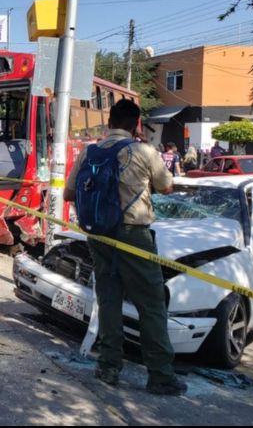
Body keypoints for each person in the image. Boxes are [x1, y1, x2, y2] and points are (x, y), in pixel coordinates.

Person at [64, 99, 187, 396]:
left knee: (108, 299)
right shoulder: (144, 151)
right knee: (151, 304)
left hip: (98, 235)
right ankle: (160, 375)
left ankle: (108, 367)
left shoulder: (90, 152)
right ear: (137, 125)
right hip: (133, 234)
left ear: (109, 122)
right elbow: (167, 186)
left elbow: (69, 193)